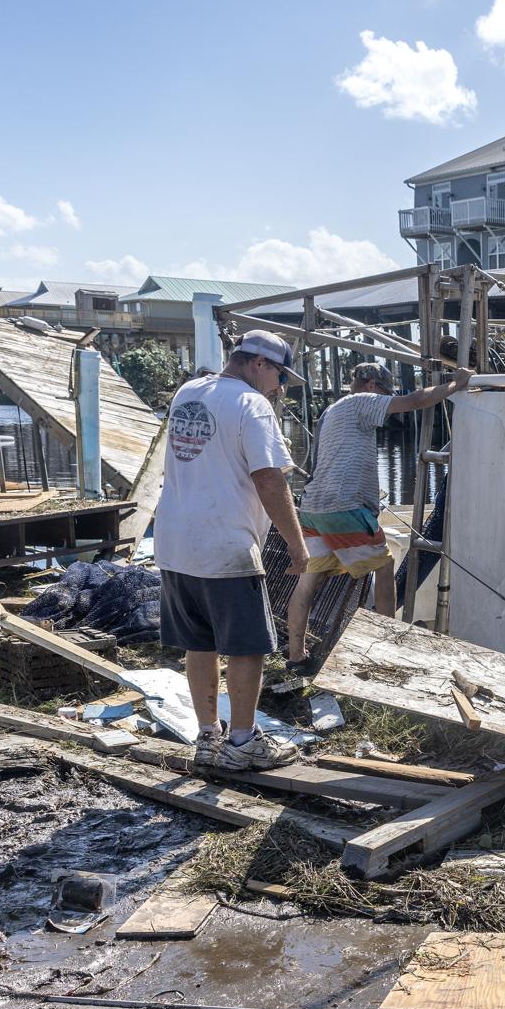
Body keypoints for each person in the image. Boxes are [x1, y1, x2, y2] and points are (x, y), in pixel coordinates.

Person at [153, 330, 309, 770]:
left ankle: (207, 737)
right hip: (225, 542)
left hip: (175, 539)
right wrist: (297, 547)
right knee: (245, 647)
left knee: (199, 641)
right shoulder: (251, 404)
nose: (279, 387)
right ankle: (242, 744)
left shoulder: (189, 391)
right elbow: (269, 478)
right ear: (258, 364)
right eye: (278, 374)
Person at [285, 361, 471, 673]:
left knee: (308, 582)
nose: (386, 401)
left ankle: (296, 658)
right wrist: (455, 385)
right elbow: (414, 401)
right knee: (385, 568)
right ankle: (387, 651)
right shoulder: (362, 401)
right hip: (344, 506)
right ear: (372, 385)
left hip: (313, 506)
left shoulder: (332, 411)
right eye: (385, 393)